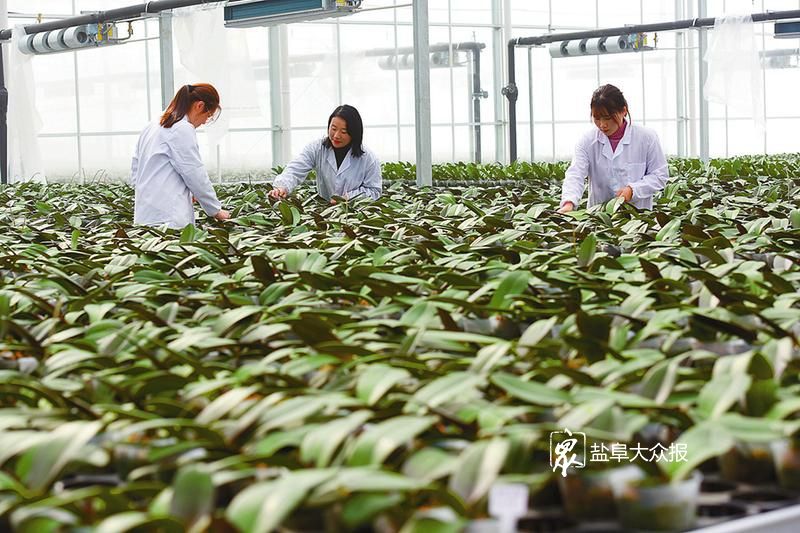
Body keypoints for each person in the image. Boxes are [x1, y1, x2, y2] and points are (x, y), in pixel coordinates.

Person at [130, 83, 230, 228]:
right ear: (199, 106)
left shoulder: (152, 125)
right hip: (169, 218)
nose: (204, 122)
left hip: (145, 214)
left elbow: (136, 168)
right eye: (208, 116)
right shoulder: (181, 128)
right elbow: (194, 173)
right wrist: (215, 210)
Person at [558, 84, 668, 213]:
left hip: (637, 217)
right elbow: (575, 174)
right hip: (599, 217)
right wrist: (569, 203)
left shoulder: (646, 137)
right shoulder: (587, 141)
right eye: (597, 118)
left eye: (608, 118)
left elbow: (660, 175)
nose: (602, 124)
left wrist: (633, 190)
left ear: (624, 111)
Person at [268, 105, 382, 203]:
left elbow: (374, 191)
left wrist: (348, 198)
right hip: (324, 211)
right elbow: (295, 169)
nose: (336, 136)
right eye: (333, 129)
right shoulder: (317, 149)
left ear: (354, 133)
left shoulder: (368, 159)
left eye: (343, 132)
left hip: (356, 214)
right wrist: (282, 187)